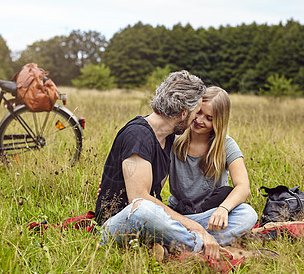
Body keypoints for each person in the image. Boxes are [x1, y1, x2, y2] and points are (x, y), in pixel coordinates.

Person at [95, 71, 227, 259]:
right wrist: (195, 227)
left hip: (154, 222)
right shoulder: (138, 136)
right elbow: (139, 199)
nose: (197, 119)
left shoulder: (168, 138)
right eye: (196, 112)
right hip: (118, 224)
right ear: (183, 113)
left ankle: (173, 244)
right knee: (144, 209)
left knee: (244, 214)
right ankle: (203, 248)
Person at [168, 86, 258, 246]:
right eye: (198, 112)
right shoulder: (174, 140)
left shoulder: (226, 145)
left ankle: (183, 243)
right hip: (179, 214)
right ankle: (194, 242)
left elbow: (243, 187)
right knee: (153, 216)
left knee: (248, 214)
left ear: (219, 122)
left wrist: (223, 209)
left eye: (209, 118)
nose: (199, 120)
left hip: (211, 215)